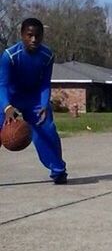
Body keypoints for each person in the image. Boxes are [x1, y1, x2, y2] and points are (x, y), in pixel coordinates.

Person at [0, 18, 67, 183]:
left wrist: (44, 104)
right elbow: (2, 84)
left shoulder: (47, 55)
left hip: (33, 97)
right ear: (22, 35)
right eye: (29, 35)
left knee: (47, 129)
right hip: (10, 96)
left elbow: (45, 83)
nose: (34, 40)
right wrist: (7, 107)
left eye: (38, 36)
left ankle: (58, 170)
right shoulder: (10, 56)